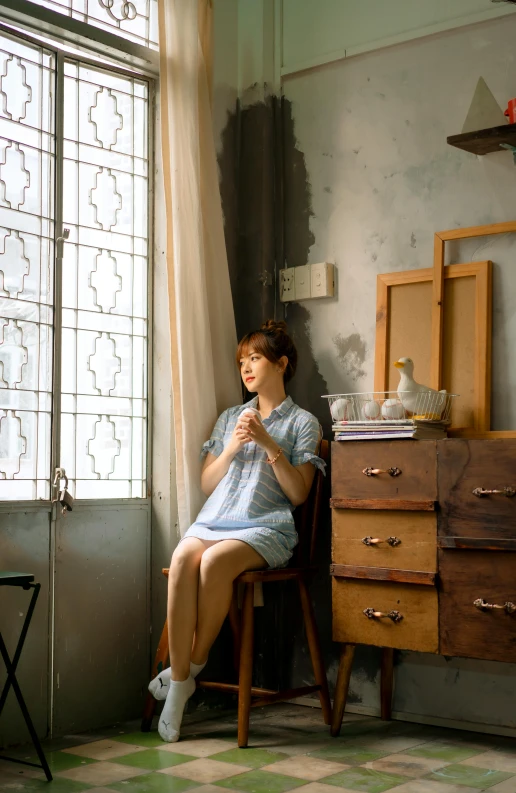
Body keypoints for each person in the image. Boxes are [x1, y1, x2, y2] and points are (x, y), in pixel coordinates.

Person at [149, 319, 326, 742]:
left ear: (281, 364)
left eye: (256, 358)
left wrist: (268, 443)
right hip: (215, 518)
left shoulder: (304, 423)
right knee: (181, 558)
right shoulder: (230, 417)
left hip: (265, 527)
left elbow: (299, 494)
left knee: (213, 561)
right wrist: (232, 446)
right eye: (242, 360)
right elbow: (208, 484)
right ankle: (184, 677)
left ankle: (185, 673)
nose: (246, 367)